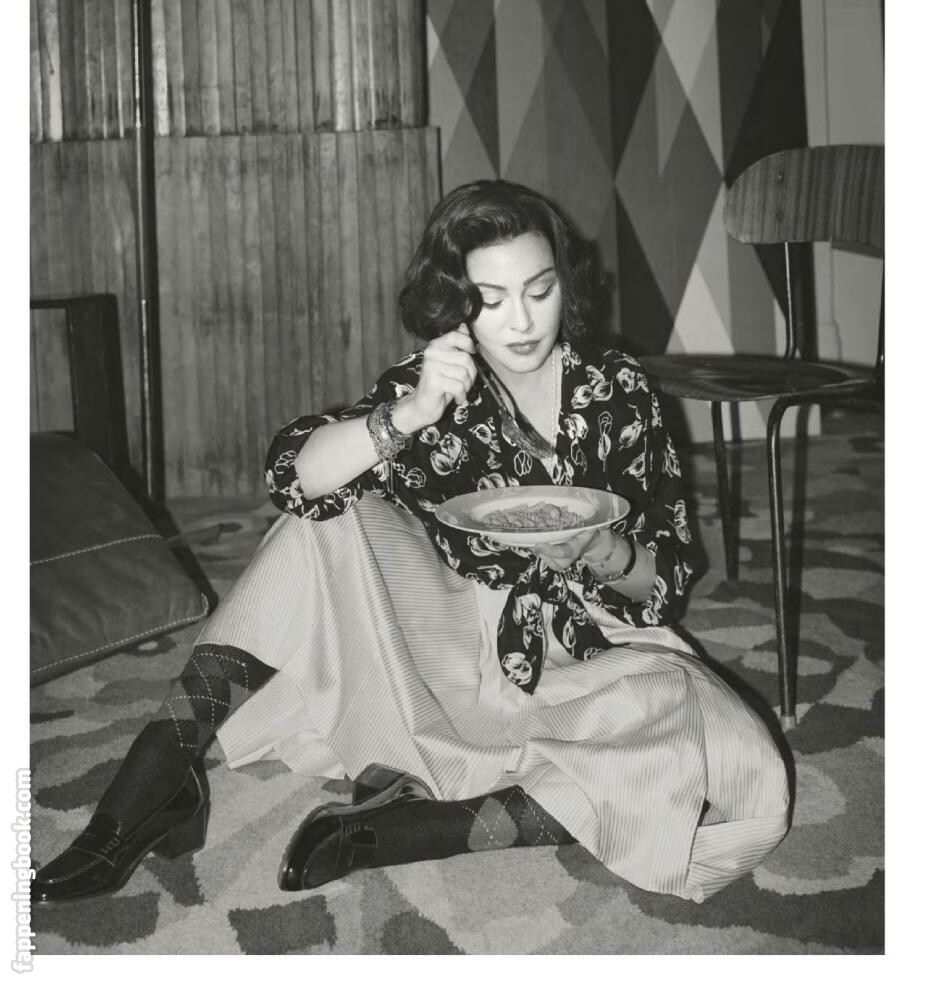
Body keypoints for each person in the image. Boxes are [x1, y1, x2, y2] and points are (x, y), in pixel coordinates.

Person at [32, 179, 790, 907]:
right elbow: (292, 478)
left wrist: (599, 551)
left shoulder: (618, 389)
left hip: (590, 648)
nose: (523, 322)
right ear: (457, 304)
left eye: (540, 291)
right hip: (447, 642)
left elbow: (666, 581)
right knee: (327, 516)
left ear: (565, 284)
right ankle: (159, 770)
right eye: (492, 299)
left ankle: (407, 831)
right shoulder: (432, 387)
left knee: (715, 741)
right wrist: (413, 411)